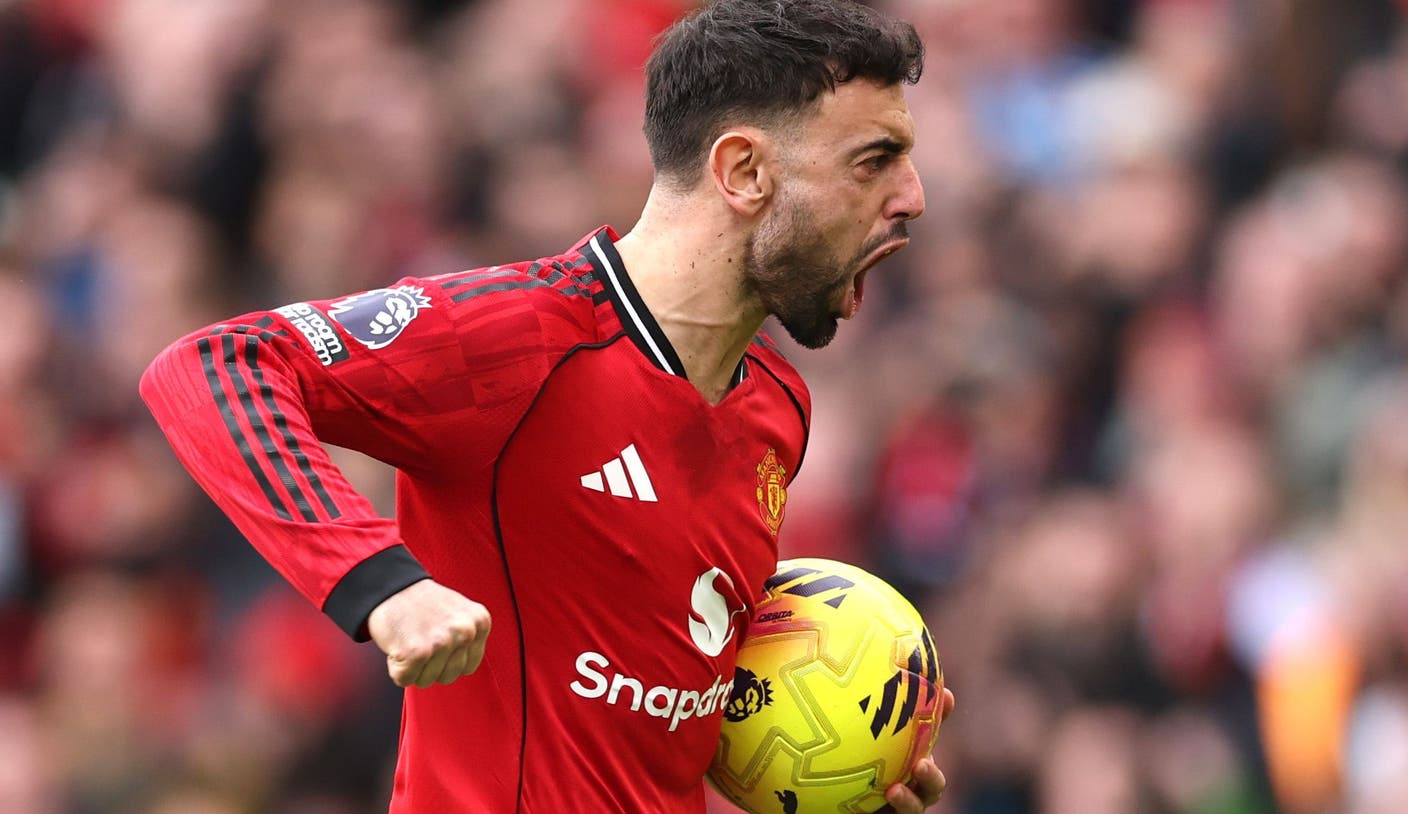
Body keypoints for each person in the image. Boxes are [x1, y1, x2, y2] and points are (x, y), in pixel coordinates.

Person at [140, 0, 956, 810]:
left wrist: (822, 770)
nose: (913, 196)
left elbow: (640, 736)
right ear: (743, 171)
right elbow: (212, 368)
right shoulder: (519, 339)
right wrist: (381, 583)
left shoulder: (776, 407)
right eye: (874, 160)